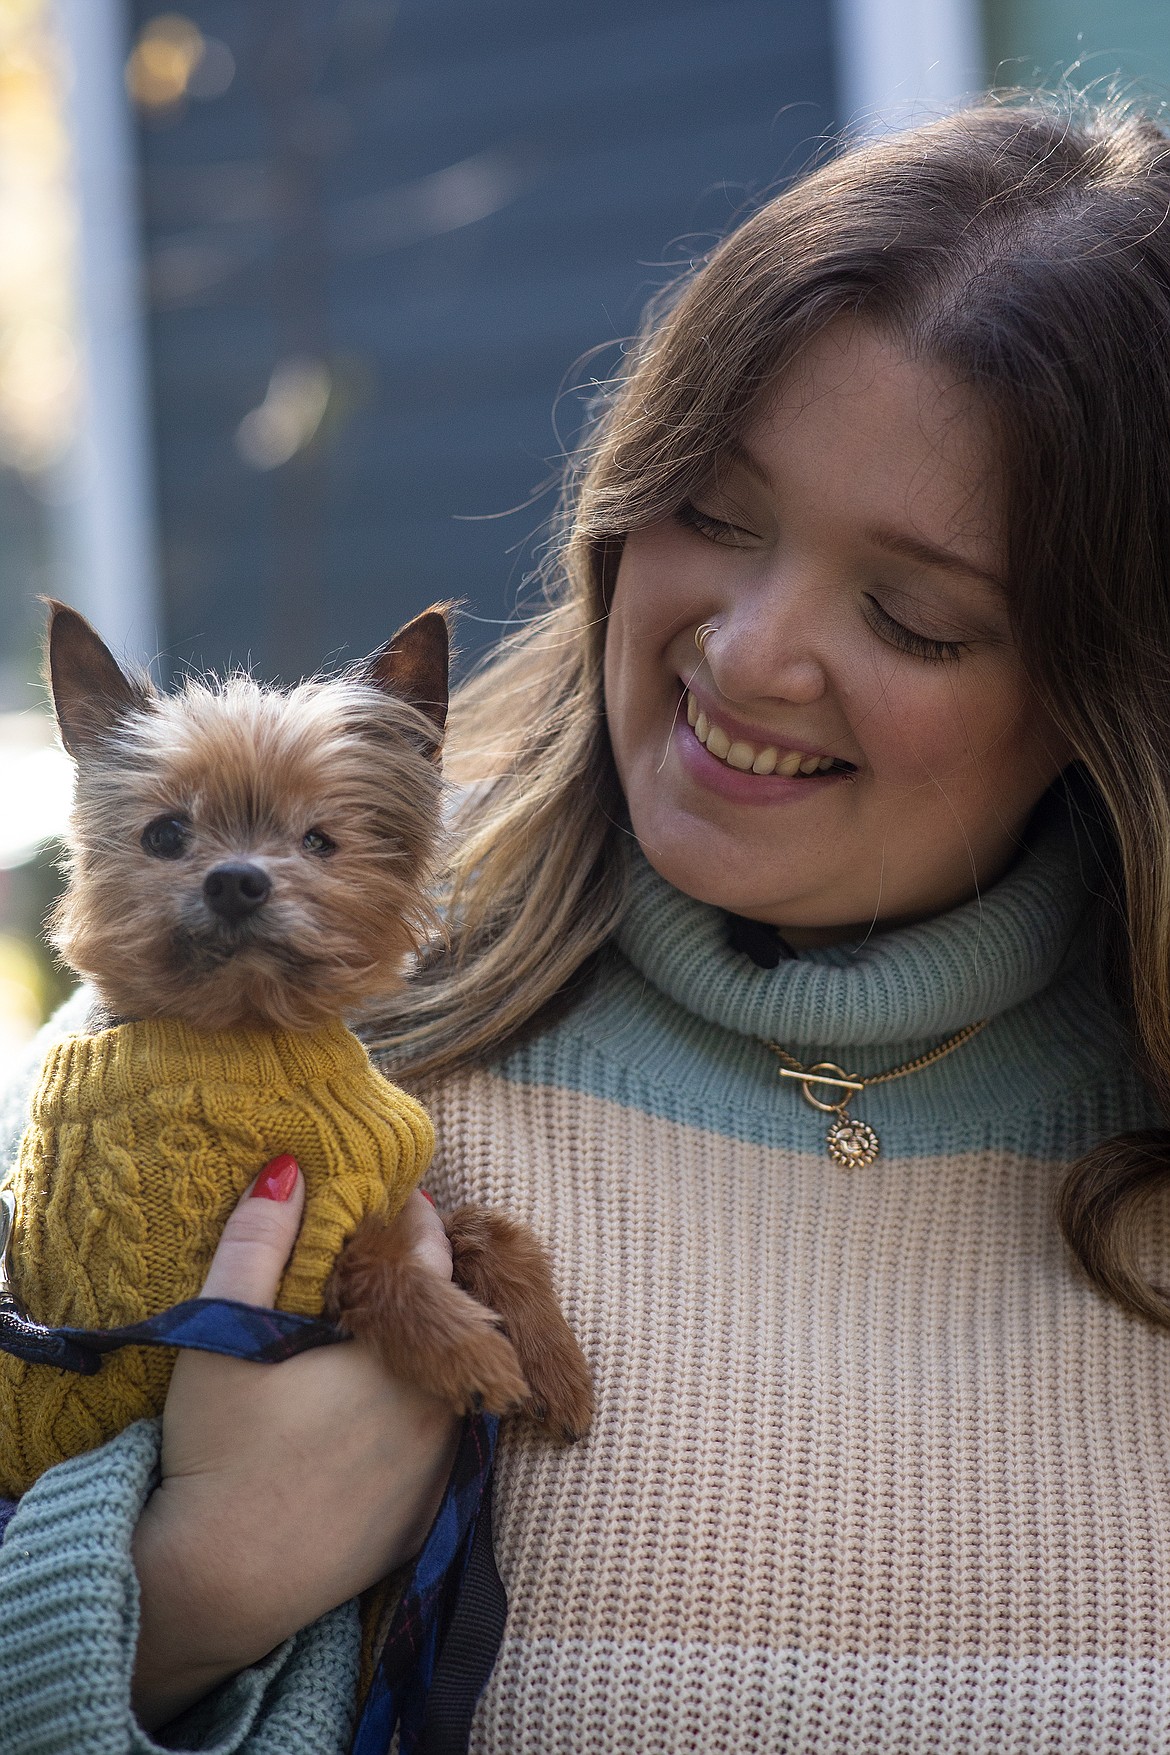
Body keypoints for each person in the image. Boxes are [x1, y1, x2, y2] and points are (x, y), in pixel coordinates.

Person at [4, 92, 1170, 1753]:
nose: (749, 655)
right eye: (710, 510)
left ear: (1108, 691)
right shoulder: (258, 1048)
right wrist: (177, 1603)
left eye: (911, 615)